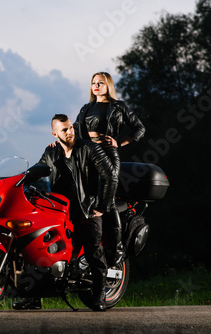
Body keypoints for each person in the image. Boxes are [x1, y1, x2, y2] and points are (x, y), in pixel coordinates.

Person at [12, 114, 118, 312]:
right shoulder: (51, 152)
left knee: (94, 251)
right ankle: (33, 298)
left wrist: (101, 207)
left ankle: (99, 294)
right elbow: (36, 170)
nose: (70, 132)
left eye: (70, 127)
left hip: (87, 210)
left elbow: (110, 175)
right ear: (54, 134)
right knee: (38, 247)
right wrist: (16, 184)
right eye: (64, 130)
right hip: (60, 212)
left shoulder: (89, 148)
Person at [74, 71, 145, 266]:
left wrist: (119, 142)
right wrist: (58, 142)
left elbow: (139, 128)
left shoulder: (118, 106)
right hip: (88, 157)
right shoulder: (85, 108)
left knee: (108, 201)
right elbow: (73, 132)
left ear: (108, 86)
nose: (96, 86)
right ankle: (86, 252)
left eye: (101, 83)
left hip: (108, 155)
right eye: (93, 83)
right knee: (87, 199)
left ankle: (117, 249)